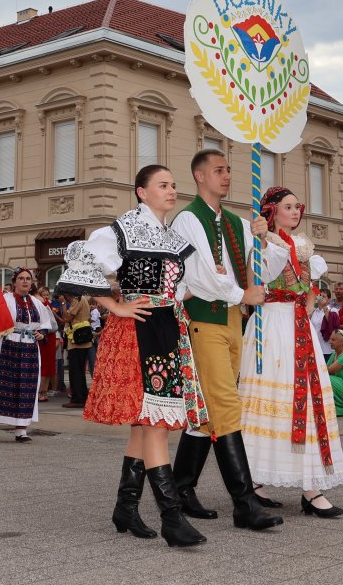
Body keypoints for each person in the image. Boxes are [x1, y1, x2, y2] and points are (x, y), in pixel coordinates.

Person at [56, 164, 212, 547]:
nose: (172, 190)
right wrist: (114, 305)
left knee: (145, 425)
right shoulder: (122, 229)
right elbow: (82, 263)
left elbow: (188, 286)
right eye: (163, 185)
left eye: (174, 185)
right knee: (155, 424)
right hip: (138, 332)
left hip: (164, 328)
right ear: (142, 192)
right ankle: (171, 518)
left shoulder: (172, 237)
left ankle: (125, 507)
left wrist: (173, 298)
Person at [169, 149, 288, 532]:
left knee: (206, 411)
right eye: (218, 170)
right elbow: (200, 273)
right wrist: (241, 294)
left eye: (228, 170)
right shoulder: (188, 219)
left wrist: (264, 239)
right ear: (200, 176)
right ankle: (244, 502)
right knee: (224, 403)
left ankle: (181, 489)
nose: (226, 176)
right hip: (203, 322)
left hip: (232, 322)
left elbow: (266, 271)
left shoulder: (237, 223)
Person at [240, 185, 343, 518]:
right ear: (272, 212)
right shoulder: (261, 245)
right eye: (288, 206)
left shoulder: (306, 250)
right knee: (272, 404)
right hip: (271, 325)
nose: (296, 211)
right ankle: (256, 480)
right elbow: (253, 284)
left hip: (299, 327)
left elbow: (312, 294)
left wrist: (308, 316)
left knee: (310, 400)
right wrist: (263, 242)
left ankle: (311, 486)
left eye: (298, 206)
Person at [0, 267, 56, 442]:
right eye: (21, 278)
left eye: (28, 278)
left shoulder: (37, 303)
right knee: (0, 385)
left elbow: (46, 323)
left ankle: (21, 429)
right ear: (14, 282)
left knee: (26, 387)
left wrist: (42, 333)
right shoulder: (4, 300)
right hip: (6, 345)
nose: (25, 281)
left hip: (29, 347)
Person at [61, 292, 92, 408]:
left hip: (77, 342)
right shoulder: (80, 299)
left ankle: (78, 399)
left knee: (75, 371)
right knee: (79, 370)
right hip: (81, 340)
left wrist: (63, 304)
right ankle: (82, 396)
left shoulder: (78, 300)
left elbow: (67, 318)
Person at [36, 286, 59, 403]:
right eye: (43, 294)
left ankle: (42, 391)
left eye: (46, 294)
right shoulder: (45, 304)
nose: (45, 296)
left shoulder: (42, 304)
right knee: (46, 363)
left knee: (47, 363)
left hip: (46, 335)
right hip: (47, 335)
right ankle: (43, 391)